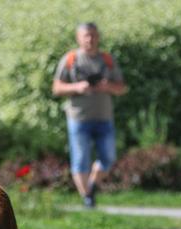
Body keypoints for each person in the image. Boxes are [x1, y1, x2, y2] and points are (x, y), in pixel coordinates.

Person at [52, 22, 127, 208]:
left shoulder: (108, 60)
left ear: (98, 37)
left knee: (108, 159)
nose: (90, 39)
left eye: (93, 35)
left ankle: (91, 187)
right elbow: (57, 88)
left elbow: (121, 87)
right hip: (78, 118)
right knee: (80, 160)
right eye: (86, 35)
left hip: (104, 117)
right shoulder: (70, 59)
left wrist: (106, 86)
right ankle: (88, 200)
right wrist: (77, 87)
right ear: (78, 38)